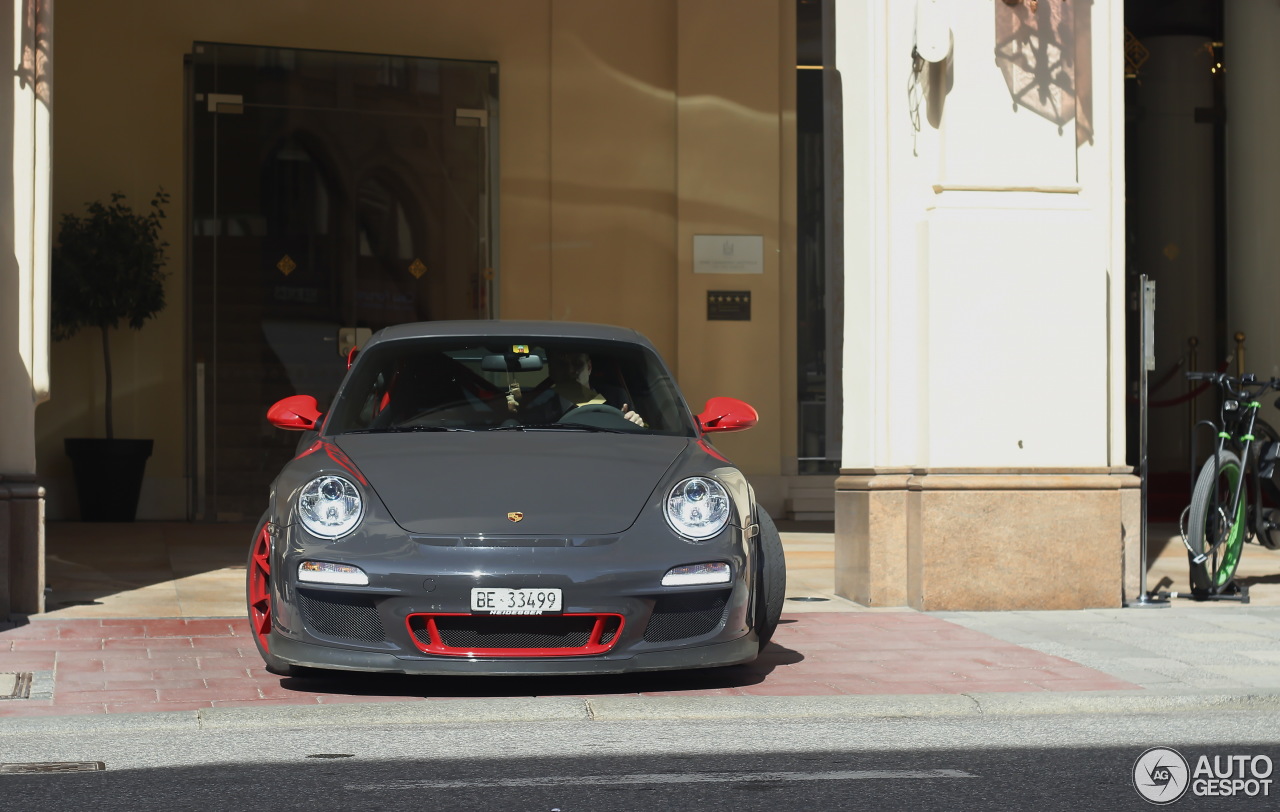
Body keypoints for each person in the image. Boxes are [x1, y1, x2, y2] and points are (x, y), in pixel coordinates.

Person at [527, 350, 644, 426]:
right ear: (551, 371)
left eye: (577, 363)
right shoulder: (539, 413)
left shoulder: (617, 398)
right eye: (562, 365)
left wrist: (636, 424)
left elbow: (642, 433)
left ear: (589, 368)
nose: (570, 371)